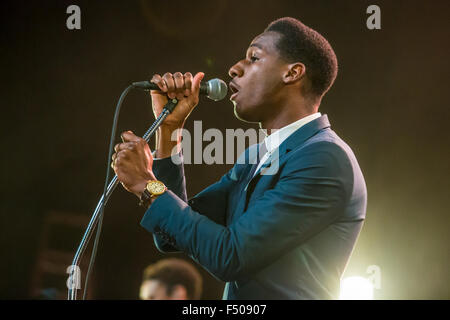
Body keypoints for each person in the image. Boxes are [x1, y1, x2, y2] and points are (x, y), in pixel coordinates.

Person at [111, 17, 367, 299]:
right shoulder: (257, 156)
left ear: (292, 73)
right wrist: (170, 130)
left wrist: (148, 185)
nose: (234, 69)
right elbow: (169, 236)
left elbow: (230, 256)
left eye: (254, 57)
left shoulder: (324, 158)